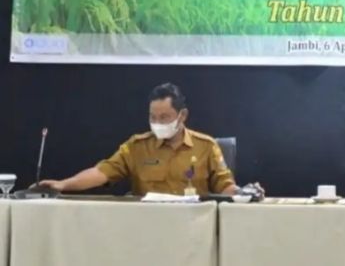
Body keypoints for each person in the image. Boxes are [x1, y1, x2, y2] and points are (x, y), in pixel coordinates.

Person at [40, 83, 238, 196]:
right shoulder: (136, 146)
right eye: (153, 117)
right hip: (145, 226)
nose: (157, 123)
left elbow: (225, 186)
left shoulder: (206, 146)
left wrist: (243, 194)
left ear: (182, 115)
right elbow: (102, 172)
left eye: (164, 117)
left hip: (192, 228)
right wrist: (64, 184)